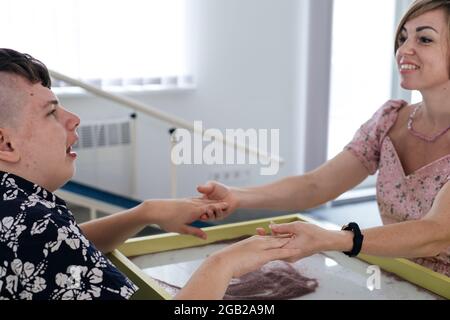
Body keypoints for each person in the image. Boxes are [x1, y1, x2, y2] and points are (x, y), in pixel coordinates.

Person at [0, 48, 299, 300]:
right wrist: (224, 264)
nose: (74, 119)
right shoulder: (32, 221)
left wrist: (145, 212)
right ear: (6, 143)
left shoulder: (22, 215)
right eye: (51, 112)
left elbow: (57, 246)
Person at [197, 0, 450, 277]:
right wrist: (237, 196)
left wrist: (333, 239)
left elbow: (436, 233)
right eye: (403, 38)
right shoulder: (389, 120)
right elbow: (316, 184)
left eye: (424, 39)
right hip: (400, 278)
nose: (404, 49)